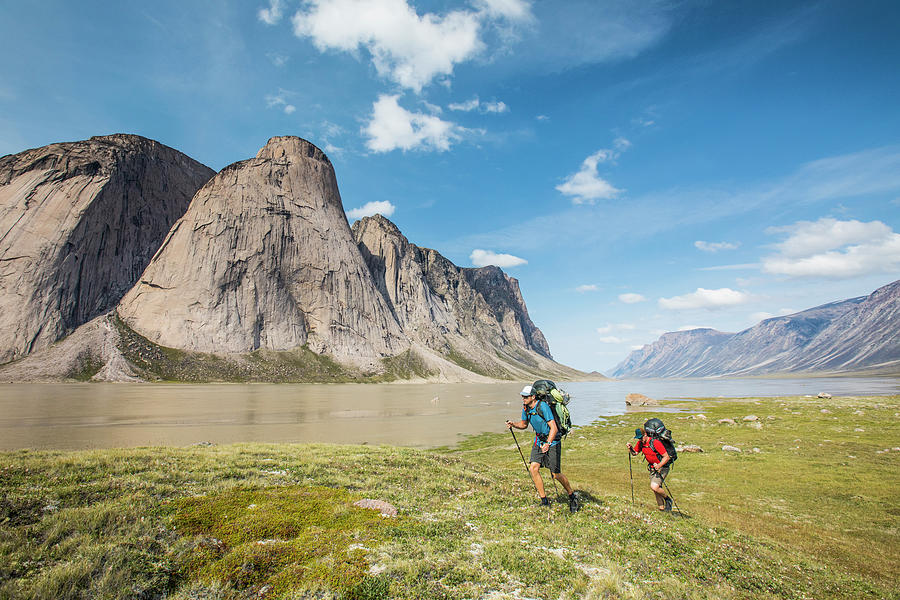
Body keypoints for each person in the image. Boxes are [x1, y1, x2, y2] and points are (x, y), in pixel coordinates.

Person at [506, 385, 580, 512]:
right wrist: (514, 424)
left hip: (553, 441)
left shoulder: (543, 407)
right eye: (522, 396)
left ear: (533, 397)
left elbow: (554, 428)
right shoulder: (526, 408)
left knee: (555, 474)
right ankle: (544, 501)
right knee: (533, 468)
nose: (523, 398)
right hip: (539, 441)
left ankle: (572, 496)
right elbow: (524, 425)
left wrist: (548, 443)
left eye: (526, 396)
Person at [627, 426, 673, 511]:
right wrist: (631, 449)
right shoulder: (641, 443)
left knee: (654, 486)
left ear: (645, 434)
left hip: (662, 467)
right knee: (656, 489)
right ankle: (662, 509)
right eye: (638, 438)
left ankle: (668, 500)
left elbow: (666, 457)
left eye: (641, 437)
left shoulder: (655, 442)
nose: (640, 440)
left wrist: (659, 465)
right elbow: (635, 453)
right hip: (652, 468)